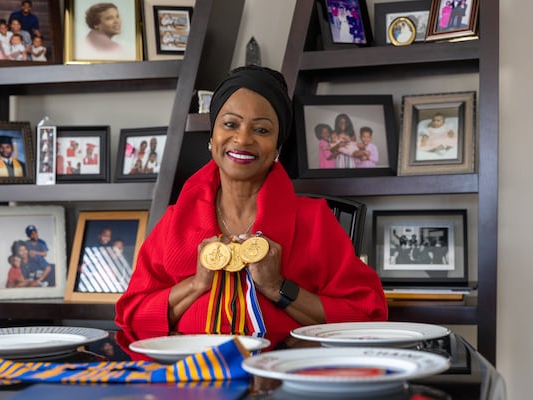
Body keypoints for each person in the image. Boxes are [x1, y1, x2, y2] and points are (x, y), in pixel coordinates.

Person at [115, 65, 387, 349]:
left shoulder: (314, 220)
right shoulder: (174, 221)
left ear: (277, 147)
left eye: (261, 129)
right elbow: (132, 316)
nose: (243, 139)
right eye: (230, 124)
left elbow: (366, 315)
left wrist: (277, 287)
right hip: (190, 377)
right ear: (212, 137)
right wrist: (197, 283)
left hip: (283, 376)